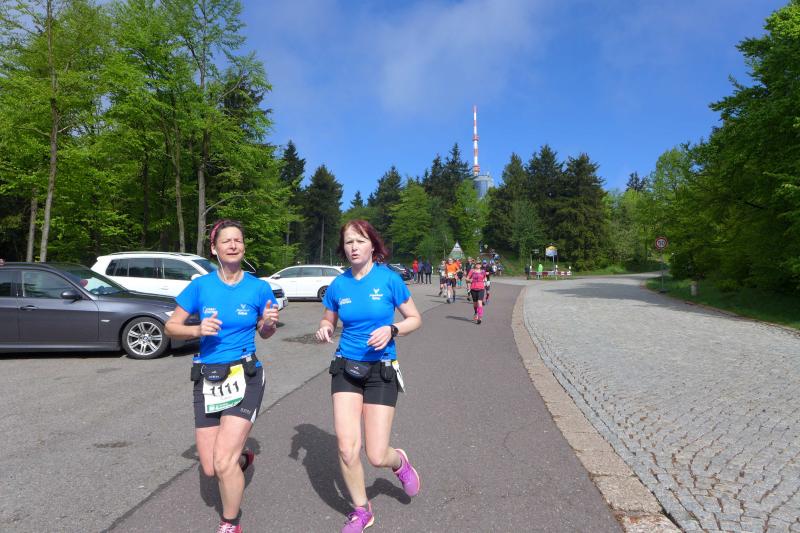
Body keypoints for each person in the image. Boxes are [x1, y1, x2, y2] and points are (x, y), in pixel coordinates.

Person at [165, 219, 279, 533]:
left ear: (243, 247)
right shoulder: (200, 286)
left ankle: (230, 523)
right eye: (226, 241)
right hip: (207, 377)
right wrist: (196, 330)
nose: (233, 245)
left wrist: (268, 323)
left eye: (238, 240)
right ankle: (241, 460)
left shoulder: (258, 287)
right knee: (210, 466)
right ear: (214, 249)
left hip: (246, 374)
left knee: (223, 461)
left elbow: (265, 332)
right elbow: (170, 327)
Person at [315, 220, 422, 533]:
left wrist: (392, 329)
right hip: (346, 368)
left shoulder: (389, 280)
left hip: (381, 369)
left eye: (360, 241)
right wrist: (325, 327)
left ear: (373, 245)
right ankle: (362, 511)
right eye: (349, 242)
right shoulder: (339, 285)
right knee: (347, 448)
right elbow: (328, 317)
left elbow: (415, 318)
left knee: (376, 455)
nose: (354, 247)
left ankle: (399, 462)